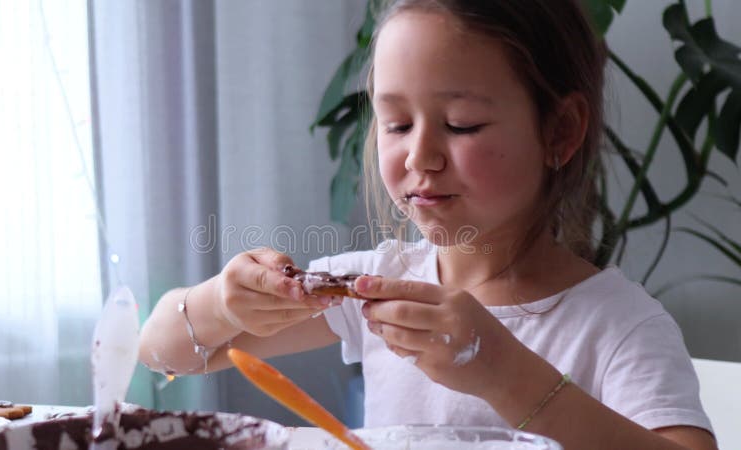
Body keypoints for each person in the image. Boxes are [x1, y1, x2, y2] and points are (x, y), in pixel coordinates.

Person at [139, 1, 717, 448]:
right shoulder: (372, 283)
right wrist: (222, 303)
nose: (420, 156)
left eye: (462, 125)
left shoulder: (620, 326)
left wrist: (502, 371)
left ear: (560, 132)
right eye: (395, 124)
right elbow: (163, 353)